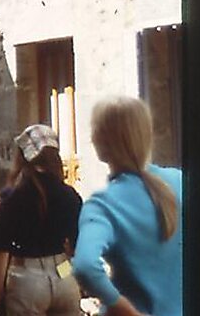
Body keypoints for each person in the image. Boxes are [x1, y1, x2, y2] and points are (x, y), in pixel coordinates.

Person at [72, 96, 182, 316]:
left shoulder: (103, 204)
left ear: (100, 143)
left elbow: (84, 265)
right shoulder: (181, 182)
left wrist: (123, 309)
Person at [0, 124, 82, 316]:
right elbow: (76, 247)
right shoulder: (70, 195)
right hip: (63, 272)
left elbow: (1, 250)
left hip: (27, 278)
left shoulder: (12, 197)